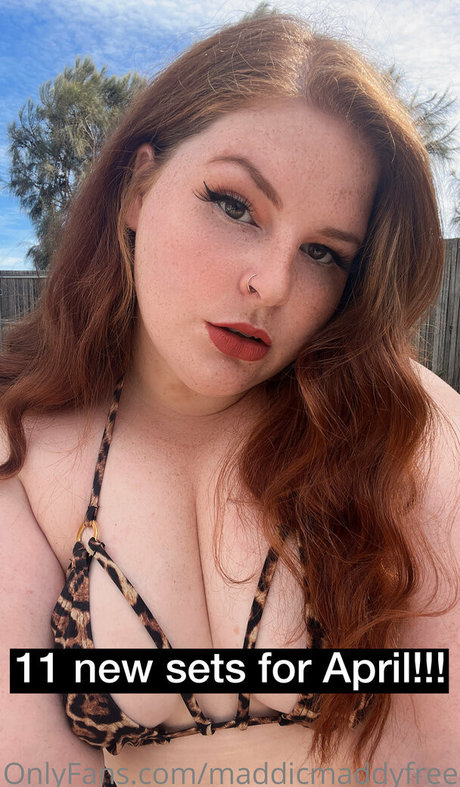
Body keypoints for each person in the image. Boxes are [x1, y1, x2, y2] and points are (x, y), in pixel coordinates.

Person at [1, 12, 459, 787]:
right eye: (235, 205)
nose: (272, 285)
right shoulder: (23, 443)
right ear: (138, 187)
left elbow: (437, 754)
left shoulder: (403, 425)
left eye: (323, 252)